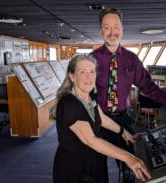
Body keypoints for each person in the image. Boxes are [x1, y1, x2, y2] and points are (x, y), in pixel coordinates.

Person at [91, 8, 166, 153]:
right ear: (101, 31)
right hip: (97, 120)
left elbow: (148, 86)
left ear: (122, 29)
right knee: (96, 170)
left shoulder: (131, 59)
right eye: (107, 28)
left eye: (116, 27)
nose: (112, 32)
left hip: (123, 118)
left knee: (135, 160)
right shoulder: (90, 59)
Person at [50, 54, 151, 183]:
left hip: (94, 161)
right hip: (76, 168)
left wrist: (123, 132)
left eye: (92, 71)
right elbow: (91, 140)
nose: (89, 77)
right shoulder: (70, 104)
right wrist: (129, 158)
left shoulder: (90, 95)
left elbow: (101, 118)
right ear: (72, 76)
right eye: (83, 72)